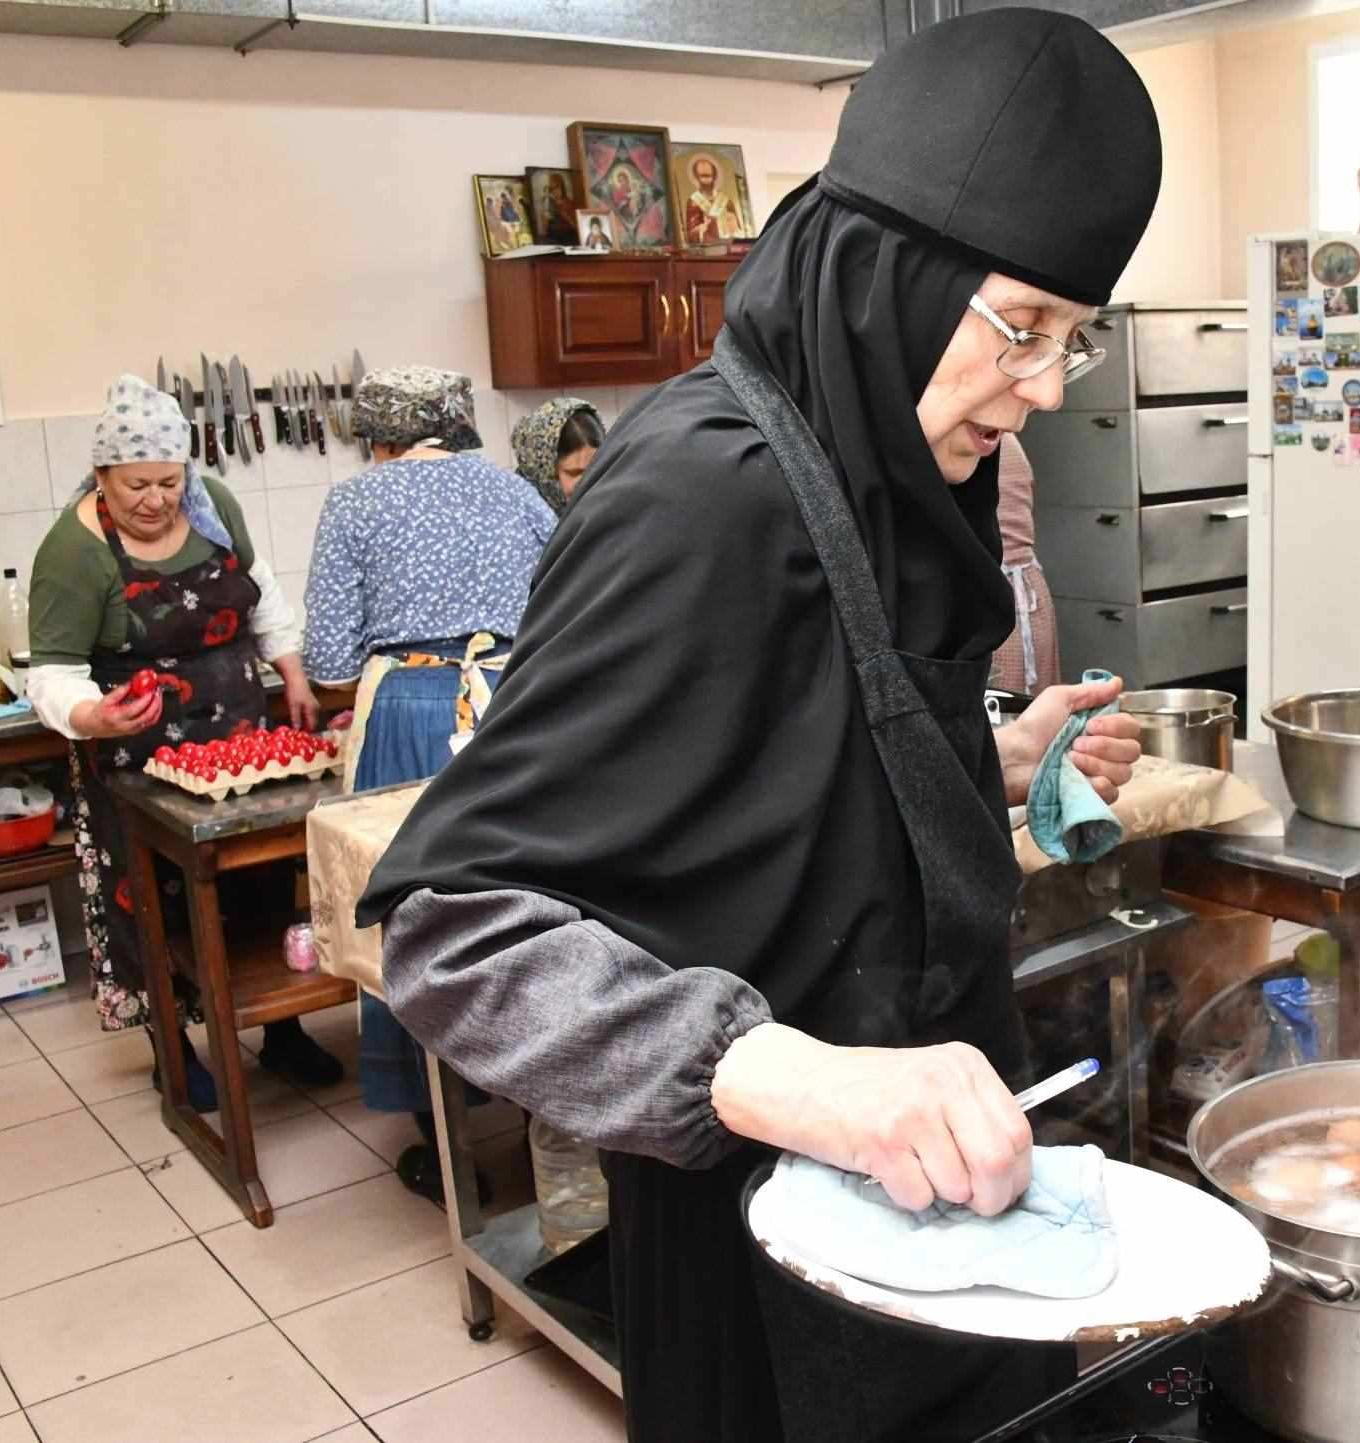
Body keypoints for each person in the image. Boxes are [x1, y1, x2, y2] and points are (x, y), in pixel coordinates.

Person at [357, 9, 1160, 1441]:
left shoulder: (891, 460)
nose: (1044, 387)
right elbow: (454, 930)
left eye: (1072, 338)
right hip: (765, 1236)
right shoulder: (706, 492)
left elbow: (787, 771)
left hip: (944, 1194)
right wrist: (800, 1079)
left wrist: (990, 759)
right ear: (887, 278)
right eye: (1021, 326)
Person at [26, 375, 341, 1108]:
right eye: (136, 484)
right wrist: (91, 716)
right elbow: (52, 673)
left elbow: (261, 591)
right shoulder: (73, 552)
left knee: (260, 882)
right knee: (153, 901)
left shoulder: (214, 506)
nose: (156, 500)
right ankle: (173, 1047)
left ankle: (283, 1031)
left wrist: (291, 671)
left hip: (240, 738)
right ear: (102, 474)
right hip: (138, 756)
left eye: (169, 482)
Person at [301, 365, 556, 1200]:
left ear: (378, 438)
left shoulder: (355, 503)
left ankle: (442, 1140)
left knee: (413, 914)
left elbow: (330, 661)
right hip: (514, 708)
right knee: (524, 900)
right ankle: (543, 1105)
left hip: (412, 714)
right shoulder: (517, 494)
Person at [989, 436, 1059, 695]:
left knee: (1000, 706)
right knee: (1037, 703)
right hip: (1031, 591)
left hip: (994, 592)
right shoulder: (1008, 441)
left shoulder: (976, 446)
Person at [511, 397, 605, 517]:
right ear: (544, 472)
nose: (588, 482)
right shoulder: (518, 519)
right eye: (574, 473)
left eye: (595, 469)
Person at [684, 154, 741, 245]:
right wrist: (701, 228)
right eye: (702, 176)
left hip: (727, 243)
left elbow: (738, 230)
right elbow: (691, 234)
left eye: (708, 176)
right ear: (696, 177)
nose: (705, 180)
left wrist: (731, 223)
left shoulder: (726, 200)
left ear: (714, 176)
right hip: (707, 245)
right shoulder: (694, 201)